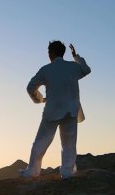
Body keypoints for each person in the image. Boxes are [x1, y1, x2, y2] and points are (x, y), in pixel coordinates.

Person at [21, 41, 91, 179]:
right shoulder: (73, 67)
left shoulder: (46, 69)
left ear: (52, 53)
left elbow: (30, 87)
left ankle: (32, 172)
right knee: (69, 144)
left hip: (52, 111)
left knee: (41, 142)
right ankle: (67, 172)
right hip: (71, 110)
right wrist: (76, 57)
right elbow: (86, 69)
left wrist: (40, 99)